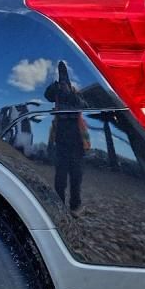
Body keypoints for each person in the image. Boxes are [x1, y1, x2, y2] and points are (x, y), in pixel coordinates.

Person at [44, 60, 90, 214]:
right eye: (62, 79)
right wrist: (55, 86)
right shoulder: (55, 93)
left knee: (76, 177)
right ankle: (59, 205)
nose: (64, 84)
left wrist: (71, 95)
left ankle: (75, 206)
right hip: (61, 141)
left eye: (66, 81)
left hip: (77, 142)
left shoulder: (75, 92)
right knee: (60, 178)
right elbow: (47, 95)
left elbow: (85, 105)